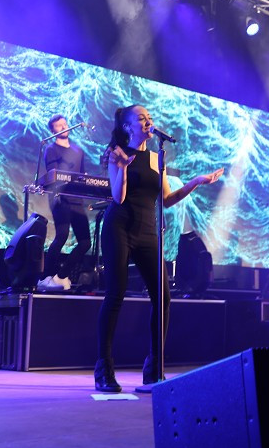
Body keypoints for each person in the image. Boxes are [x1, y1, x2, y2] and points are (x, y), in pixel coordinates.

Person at [94, 104, 223, 392]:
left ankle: (154, 367)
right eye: (142, 118)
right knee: (115, 295)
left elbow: (166, 198)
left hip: (147, 232)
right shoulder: (117, 153)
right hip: (119, 228)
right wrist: (124, 168)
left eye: (150, 117)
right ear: (128, 127)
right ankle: (104, 368)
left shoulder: (156, 157)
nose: (148, 121)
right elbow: (119, 196)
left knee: (162, 297)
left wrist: (196, 182)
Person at [38, 114, 91, 291]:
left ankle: (61, 275)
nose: (63, 127)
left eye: (64, 124)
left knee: (85, 242)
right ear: (52, 131)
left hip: (76, 199)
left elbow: (82, 176)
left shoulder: (78, 151)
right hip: (59, 197)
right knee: (61, 236)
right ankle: (46, 277)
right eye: (58, 126)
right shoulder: (50, 149)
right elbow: (54, 175)